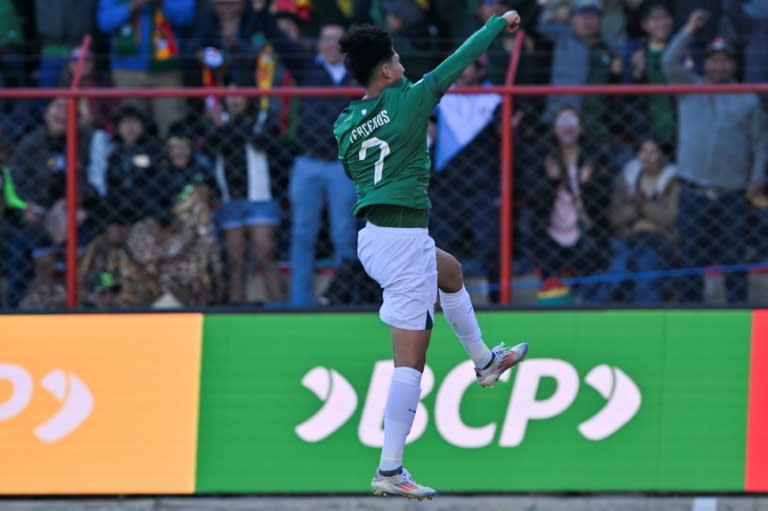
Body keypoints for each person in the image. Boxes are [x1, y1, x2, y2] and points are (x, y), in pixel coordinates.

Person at [333, 10, 528, 499]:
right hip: (401, 241)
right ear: (385, 69)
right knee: (409, 363)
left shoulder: (345, 123)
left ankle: (485, 361)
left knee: (451, 272)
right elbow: (459, 61)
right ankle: (391, 467)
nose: (401, 62)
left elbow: (355, 168)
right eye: (395, 57)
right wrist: (495, 25)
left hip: (376, 237)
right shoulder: (412, 101)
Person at [662, 9, 768, 303]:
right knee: (691, 256)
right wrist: (689, 30)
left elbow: (760, 142)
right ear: (705, 64)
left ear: (733, 65)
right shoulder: (689, 88)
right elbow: (668, 62)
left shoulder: (748, 98)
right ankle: (690, 310)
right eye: (713, 60)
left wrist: (757, 177)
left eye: (725, 60)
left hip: (732, 193)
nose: (719, 65)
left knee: (734, 257)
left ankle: (738, 311)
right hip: (694, 191)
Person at [594, 136, 680, 304]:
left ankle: (646, 314)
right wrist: (644, 209)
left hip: (659, 239)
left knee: (646, 264)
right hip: (629, 237)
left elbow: (671, 218)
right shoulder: (626, 178)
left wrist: (641, 205)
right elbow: (615, 218)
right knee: (619, 267)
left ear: (664, 156)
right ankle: (596, 311)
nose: (646, 157)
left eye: (653, 152)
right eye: (642, 151)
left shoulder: (674, 182)